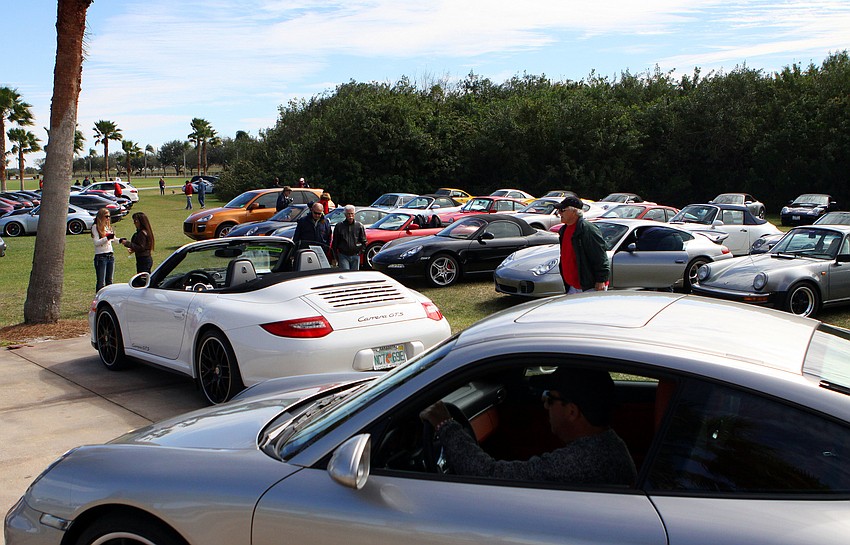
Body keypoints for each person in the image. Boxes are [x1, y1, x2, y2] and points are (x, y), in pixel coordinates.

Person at [420, 367, 637, 485]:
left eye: (549, 398)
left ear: (572, 411)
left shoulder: (579, 463)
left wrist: (445, 424)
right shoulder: (609, 443)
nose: (544, 404)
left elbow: (487, 475)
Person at [553, 196, 609, 294]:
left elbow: (600, 256)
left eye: (562, 210)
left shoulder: (588, 230)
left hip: (589, 286)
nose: (559, 213)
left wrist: (601, 280)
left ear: (574, 211)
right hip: (572, 286)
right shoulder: (564, 230)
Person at [332, 205, 367, 270]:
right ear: (345, 214)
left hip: (355, 255)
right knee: (346, 274)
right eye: (348, 214)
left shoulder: (359, 226)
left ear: (354, 214)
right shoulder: (339, 226)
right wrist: (334, 257)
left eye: (352, 214)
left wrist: (360, 251)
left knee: (354, 275)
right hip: (343, 255)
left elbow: (364, 241)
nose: (350, 216)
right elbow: (335, 243)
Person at [92, 208, 115, 292]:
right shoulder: (95, 227)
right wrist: (106, 238)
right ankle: (99, 300)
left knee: (109, 281)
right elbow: (96, 242)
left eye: (109, 216)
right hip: (101, 257)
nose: (108, 219)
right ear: (101, 217)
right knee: (101, 283)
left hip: (110, 256)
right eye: (106, 216)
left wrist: (121, 241)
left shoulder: (107, 227)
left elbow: (113, 239)